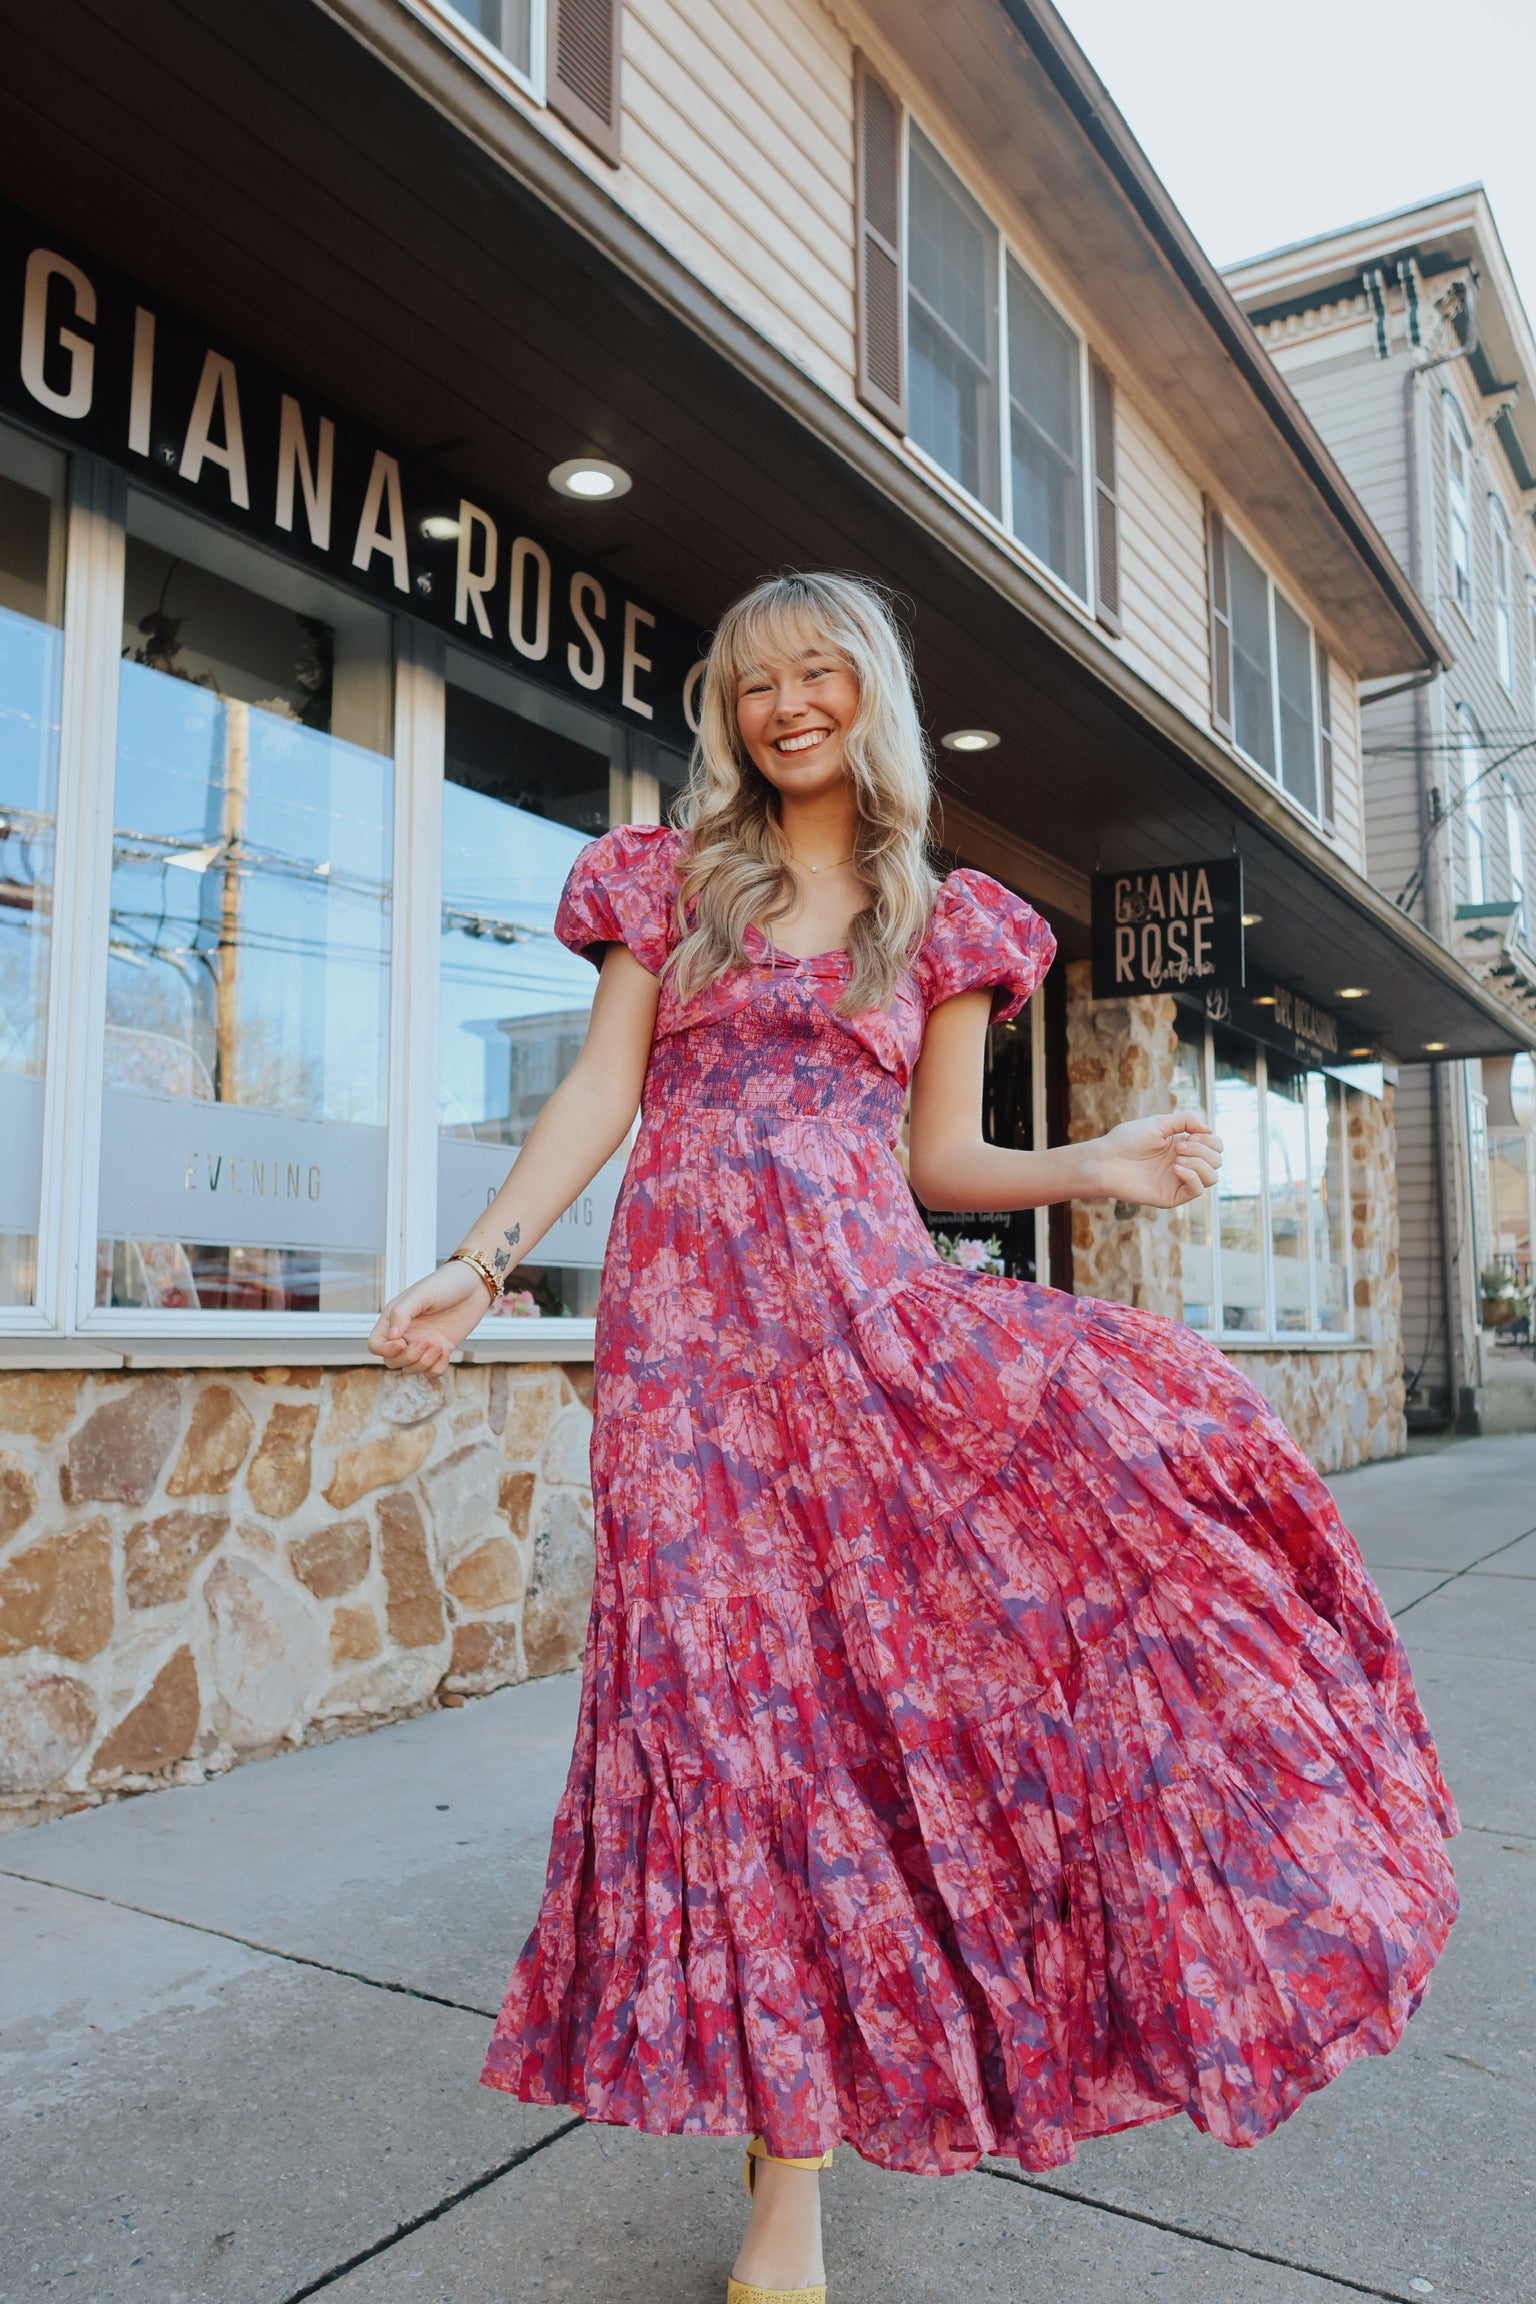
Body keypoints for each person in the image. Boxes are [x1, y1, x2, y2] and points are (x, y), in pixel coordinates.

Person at [369, 572, 1457, 2304]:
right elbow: (599, 1094)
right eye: (753, 685)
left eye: (816, 677)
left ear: (866, 694)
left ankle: (807, 2132)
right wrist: (480, 1261)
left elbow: (938, 1165)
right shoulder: (667, 883)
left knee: (871, 1715)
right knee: (726, 1724)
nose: (785, 707)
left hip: (872, 1339)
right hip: (690, 1368)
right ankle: (785, 2167)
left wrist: (1091, 1168)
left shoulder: (940, 916)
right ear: (726, 710)